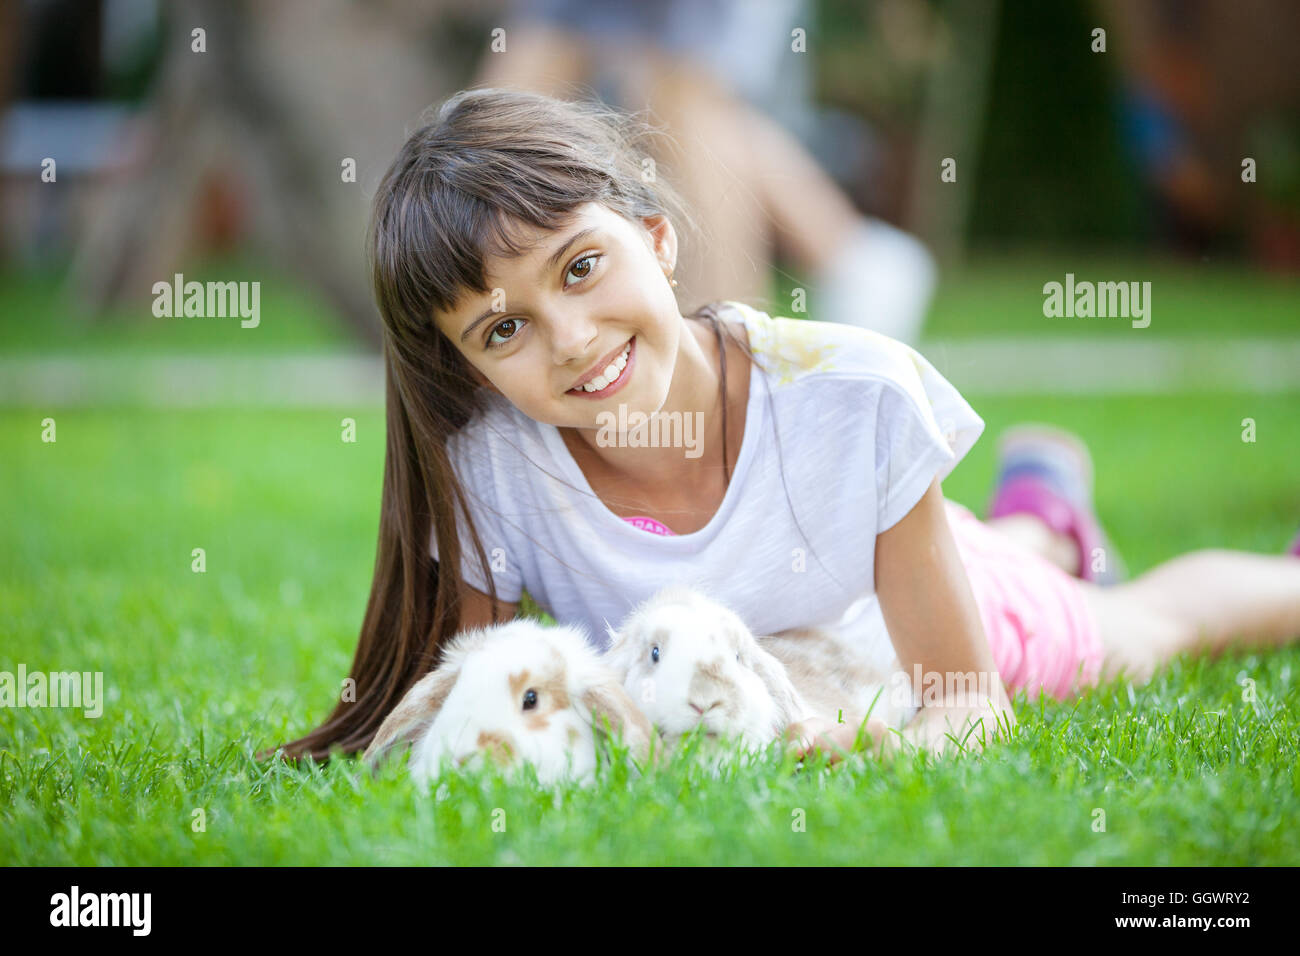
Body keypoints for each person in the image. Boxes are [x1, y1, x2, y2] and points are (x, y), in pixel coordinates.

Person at [267, 88, 1300, 766]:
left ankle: (1060, 534)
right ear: (470, 369)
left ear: (658, 238)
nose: (573, 338)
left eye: (580, 266)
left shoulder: (848, 393)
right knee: (975, 541)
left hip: (897, 629)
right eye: (504, 328)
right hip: (881, 561)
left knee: (1144, 626)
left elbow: (967, 705)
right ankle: (1038, 508)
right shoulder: (492, 469)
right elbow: (479, 711)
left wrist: (863, 740)